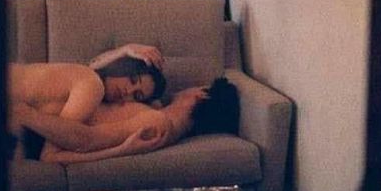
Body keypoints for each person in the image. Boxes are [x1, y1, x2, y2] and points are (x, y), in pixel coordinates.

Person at [19, 77, 240, 163]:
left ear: (201, 94)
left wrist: (26, 114)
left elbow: (85, 139)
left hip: (31, 128)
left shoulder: (157, 124)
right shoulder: (159, 113)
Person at [9, 43, 166, 154]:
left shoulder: (85, 77)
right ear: (123, 67)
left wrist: (124, 50)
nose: (128, 92)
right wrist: (123, 149)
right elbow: (51, 154)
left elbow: (94, 64)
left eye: (136, 96)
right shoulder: (92, 85)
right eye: (132, 79)